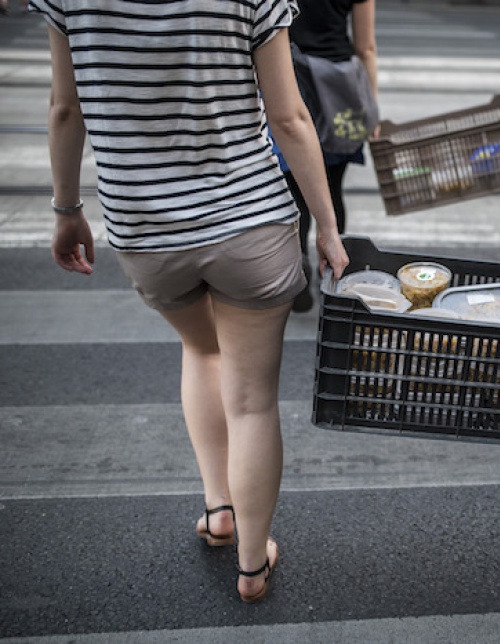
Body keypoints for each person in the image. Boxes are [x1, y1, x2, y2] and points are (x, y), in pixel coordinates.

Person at [32, 0, 349, 603]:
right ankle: (252, 567)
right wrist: (328, 229)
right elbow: (289, 117)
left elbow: (65, 107)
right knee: (254, 401)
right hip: (250, 222)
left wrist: (68, 210)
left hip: (147, 230)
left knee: (202, 352)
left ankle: (219, 510)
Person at [282, 0, 378, 313]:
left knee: (297, 185)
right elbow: (366, 48)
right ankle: (335, 275)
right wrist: (371, 109)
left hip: (294, 80)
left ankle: (298, 267)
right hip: (340, 87)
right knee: (333, 186)